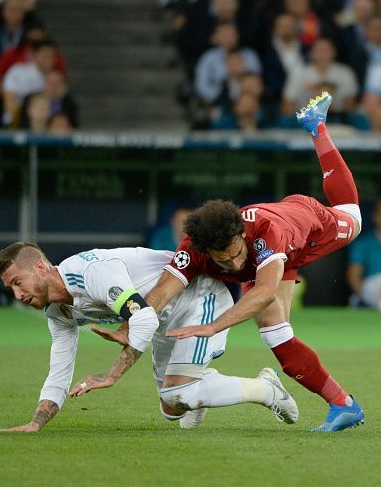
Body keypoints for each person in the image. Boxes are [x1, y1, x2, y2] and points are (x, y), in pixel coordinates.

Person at [140, 92, 365, 432]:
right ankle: (342, 405)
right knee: (277, 335)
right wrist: (132, 326)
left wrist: (214, 327)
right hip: (274, 256)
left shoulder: (265, 232)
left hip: (308, 224)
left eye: (235, 254)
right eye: (222, 261)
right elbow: (163, 291)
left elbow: (263, 292)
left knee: (353, 214)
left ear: (241, 236)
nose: (231, 265)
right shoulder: (196, 243)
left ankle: (317, 126)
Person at [0, 243, 298, 432]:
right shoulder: (58, 312)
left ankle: (266, 389)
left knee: (176, 394)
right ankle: (198, 382)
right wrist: (36, 423)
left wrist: (111, 375)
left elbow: (143, 318)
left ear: (40, 267)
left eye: (18, 283)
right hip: (164, 319)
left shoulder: (91, 274)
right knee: (171, 411)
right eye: (11, 289)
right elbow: (59, 368)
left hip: (199, 297)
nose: (18, 295)